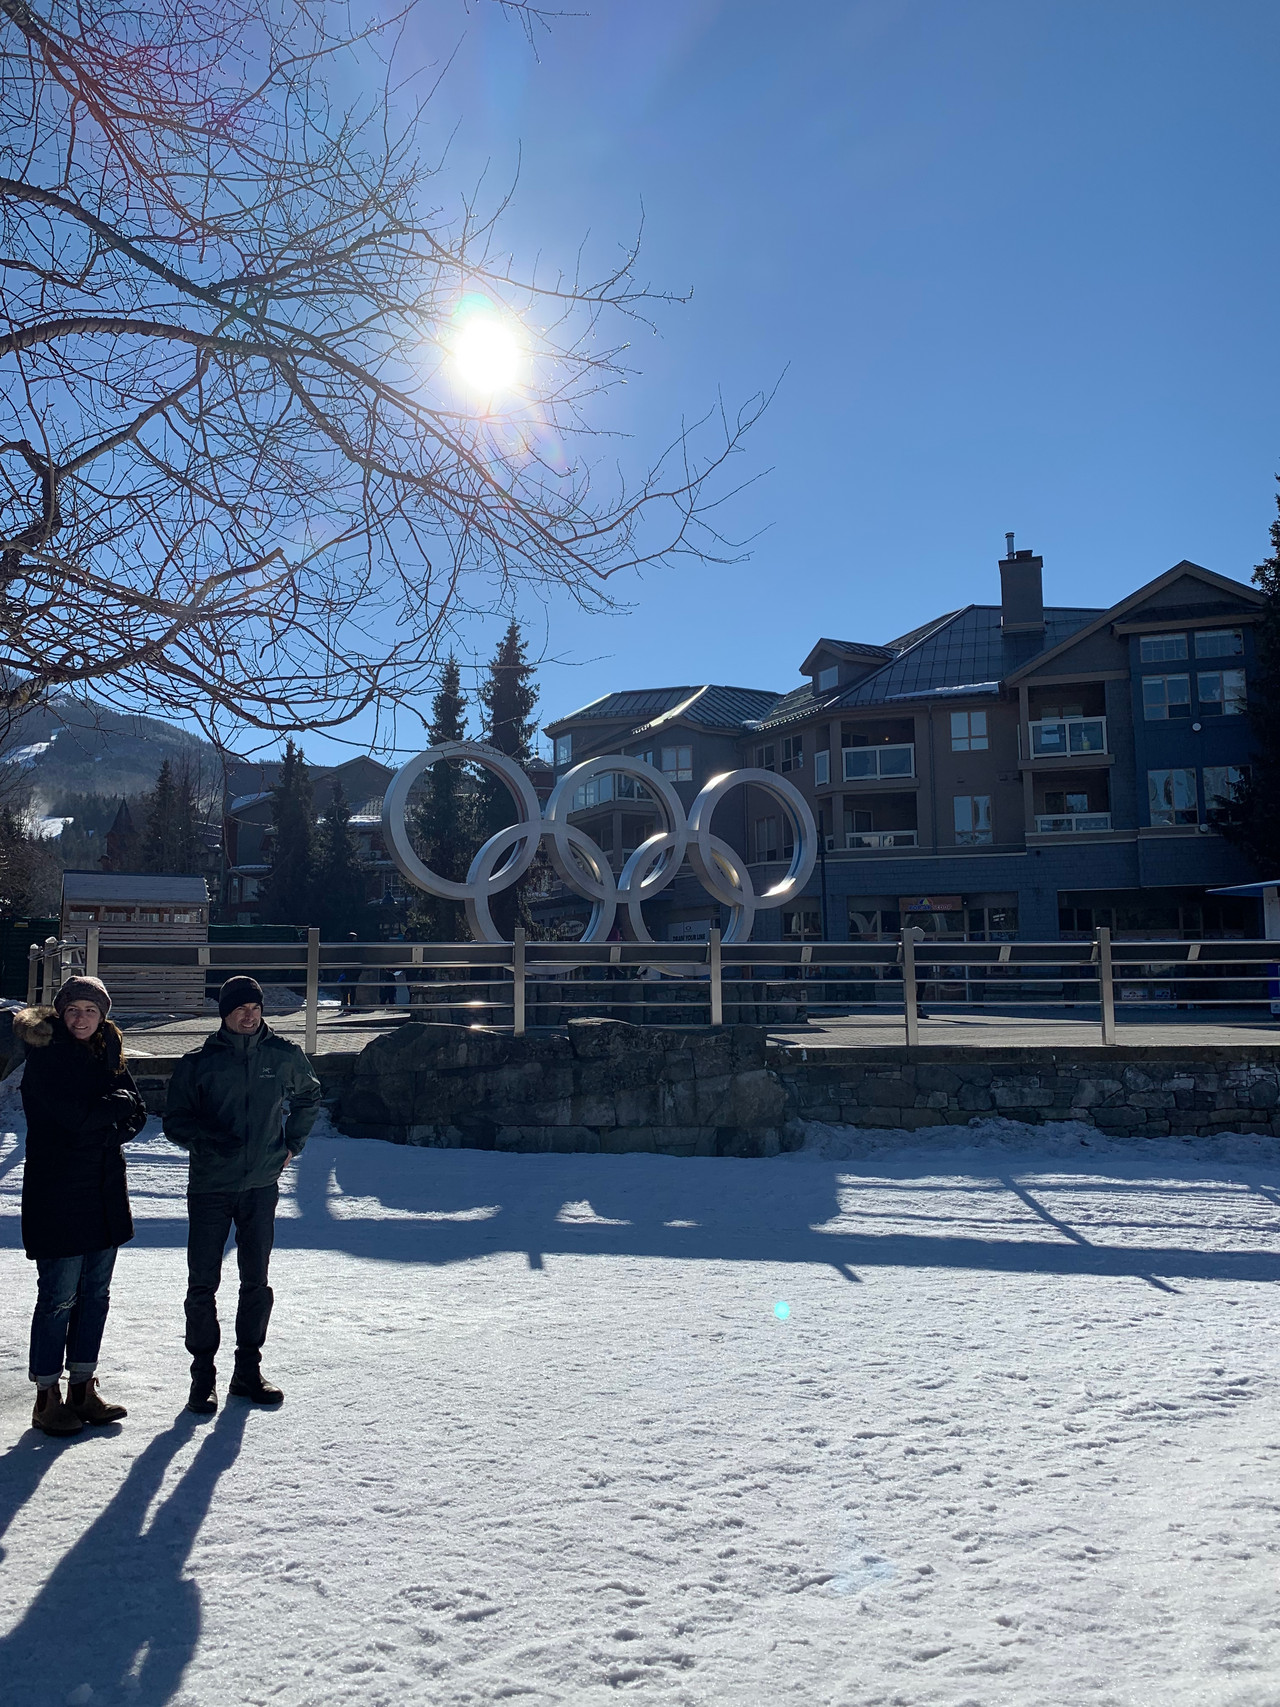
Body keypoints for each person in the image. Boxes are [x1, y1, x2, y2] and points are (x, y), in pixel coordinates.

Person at [163, 976, 322, 1415]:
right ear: (225, 1014)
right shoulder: (199, 1063)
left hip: (260, 1187)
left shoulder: (283, 1055)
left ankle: (247, 1372)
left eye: (254, 1008)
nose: (248, 1015)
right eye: (239, 1009)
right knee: (203, 1284)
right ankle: (202, 1378)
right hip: (211, 1187)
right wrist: (209, 1139)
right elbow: (174, 1121)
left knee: (256, 1283)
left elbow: (309, 1096)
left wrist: (292, 1144)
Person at [17, 975, 148, 1437]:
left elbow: (138, 1110)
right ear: (60, 1012)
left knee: (96, 1296)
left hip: (104, 1193)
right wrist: (111, 1112)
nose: (82, 1018)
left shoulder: (109, 1052)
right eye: (74, 1009)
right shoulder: (45, 1058)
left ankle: (82, 1388)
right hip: (58, 1195)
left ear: (103, 1015)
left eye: (91, 1010)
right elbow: (71, 1120)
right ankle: (46, 1396)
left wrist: (108, 1118)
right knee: (58, 1298)